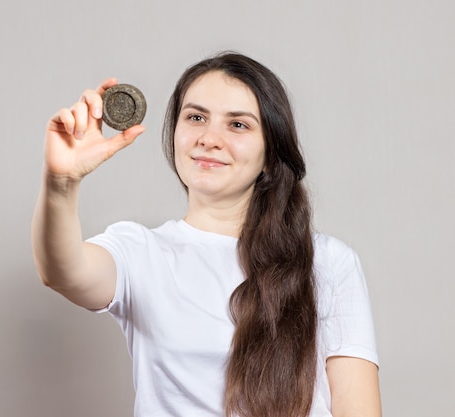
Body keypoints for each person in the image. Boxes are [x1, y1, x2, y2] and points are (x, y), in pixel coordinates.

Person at [31, 52, 381, 417]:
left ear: (270, 151)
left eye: (238, 125)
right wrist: (61, 182)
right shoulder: (139, 251)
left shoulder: (329, 262)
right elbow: (61, 270)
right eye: (196, 118)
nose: (209, 139)